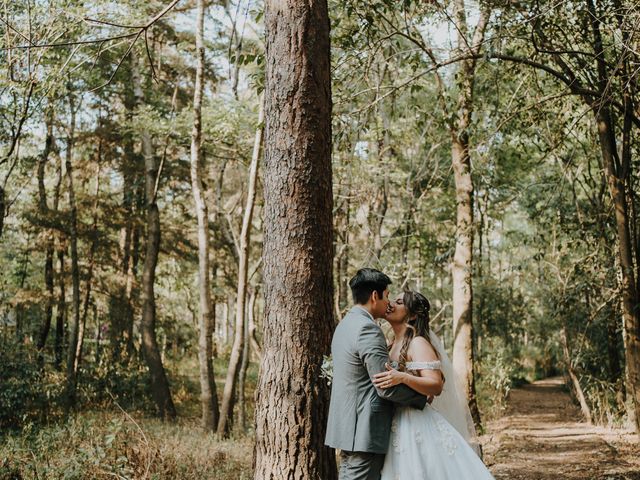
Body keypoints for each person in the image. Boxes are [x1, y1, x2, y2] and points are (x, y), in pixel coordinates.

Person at [325, 269, 441, 480]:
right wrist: (421, 398)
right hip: (364, 429)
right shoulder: (368, 329)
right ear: (375, 296)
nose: (389, 303)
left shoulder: (346, 324)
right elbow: (384, 386)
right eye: (388, 296)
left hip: (350, 427)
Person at [373, 290, 495, 479]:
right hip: (393, 420)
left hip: (415, 421)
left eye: (399, 302)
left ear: (412, 315)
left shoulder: (418, 343)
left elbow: (435, 385)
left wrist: (403, 378)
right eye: (393, 300)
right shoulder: (389, 345)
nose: (391, 304)